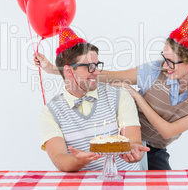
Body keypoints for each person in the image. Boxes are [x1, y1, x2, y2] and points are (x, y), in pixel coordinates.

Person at [35, 2, 188, 170]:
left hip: (154, 147)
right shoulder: (155, 70)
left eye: (171, 62)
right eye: (164, 58)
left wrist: (138, 97)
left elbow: (167, 131)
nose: (164, 66)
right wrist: (56, 69)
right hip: (132, 139)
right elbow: (108, 76)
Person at [38, 25, 149, 172]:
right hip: (83, 184)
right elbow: (60, 159)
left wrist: (135, 150)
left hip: (126, 180)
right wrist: (78, 161)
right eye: (89, 67)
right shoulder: (50, 112)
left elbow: (133, 140)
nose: (97, 72)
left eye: (97, 66)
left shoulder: (118, 94)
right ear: (69, 71)